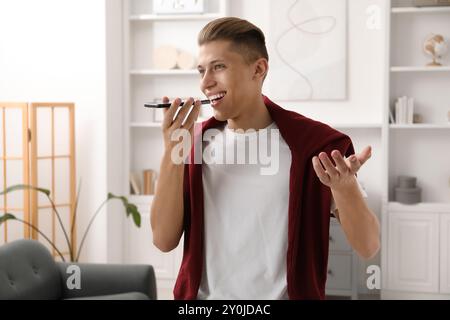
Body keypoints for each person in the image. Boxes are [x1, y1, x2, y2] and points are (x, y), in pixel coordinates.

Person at [150, 17, 380, 300]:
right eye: (201, 71)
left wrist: (345, 188)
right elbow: (163, 240)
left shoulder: (316, 146)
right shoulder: (192, 143)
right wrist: (172, 152)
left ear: (258, 69)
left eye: (219, 67)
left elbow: (368, 246)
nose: (206, 83)